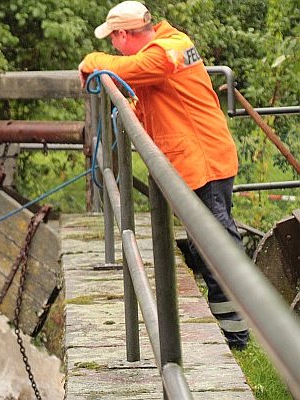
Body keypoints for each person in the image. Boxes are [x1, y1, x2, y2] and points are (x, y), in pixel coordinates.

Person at [79, 0, 249, 350]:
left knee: (215, 244)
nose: (113, 46)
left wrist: (93, 62)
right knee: (207, 245)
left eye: (114, 39)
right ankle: (232, 327)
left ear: (125, 35)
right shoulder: (165, 46)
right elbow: (153, 92)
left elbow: (134, 69)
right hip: (196, 160)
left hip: (204, 161)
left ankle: (238, 334)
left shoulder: (167, 50)